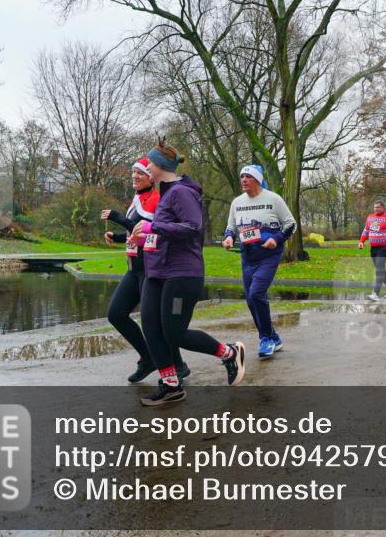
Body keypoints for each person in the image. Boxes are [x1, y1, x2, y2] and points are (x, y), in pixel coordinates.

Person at [129, 141, 246, 406]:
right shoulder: (166, 193)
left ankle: (229, 353)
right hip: (157, 272)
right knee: (151, 327)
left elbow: (193, 228)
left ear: (160, 166)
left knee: (174, 333)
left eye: (150, 163)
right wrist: (145, 239)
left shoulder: (182, 192)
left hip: (182, 274)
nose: (146, 168)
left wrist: (152, 228)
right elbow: (166, 232)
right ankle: (171, 385)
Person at [102, 157, 189, 384]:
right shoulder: (138, 199)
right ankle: (148, 358)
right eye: (133, 172)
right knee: (116, 314)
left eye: (140, 172)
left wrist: (117, 217)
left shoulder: (157, 199)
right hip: (134, 269)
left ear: (151, 177)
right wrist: (118, 237)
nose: (135, 176)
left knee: (156, 320)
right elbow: (136, 233)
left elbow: (152, 231)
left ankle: (178, 365)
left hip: (151, 269)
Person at [222, 164, 297, 359]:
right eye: (242, 177)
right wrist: (229, 238)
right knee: (251, 300)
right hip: (248, 256)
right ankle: (273, 336)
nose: (244, 180)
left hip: (269, 255)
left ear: (257, 179)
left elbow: (291, 224)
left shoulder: (273, 199)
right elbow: (231, 227)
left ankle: (266, 339)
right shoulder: (237, 202)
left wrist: (276, 239)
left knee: (256, 293)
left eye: (248, 177)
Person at [358, 200, 386, 301]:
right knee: (381, 269)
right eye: (375, 207)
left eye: (378, 207)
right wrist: (361, 242)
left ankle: (375, 293)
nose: (376, 209)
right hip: (374, 248)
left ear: (383, 208)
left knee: (379, 269)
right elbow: (366, 231)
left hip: (384, 247)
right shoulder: (370, 218)